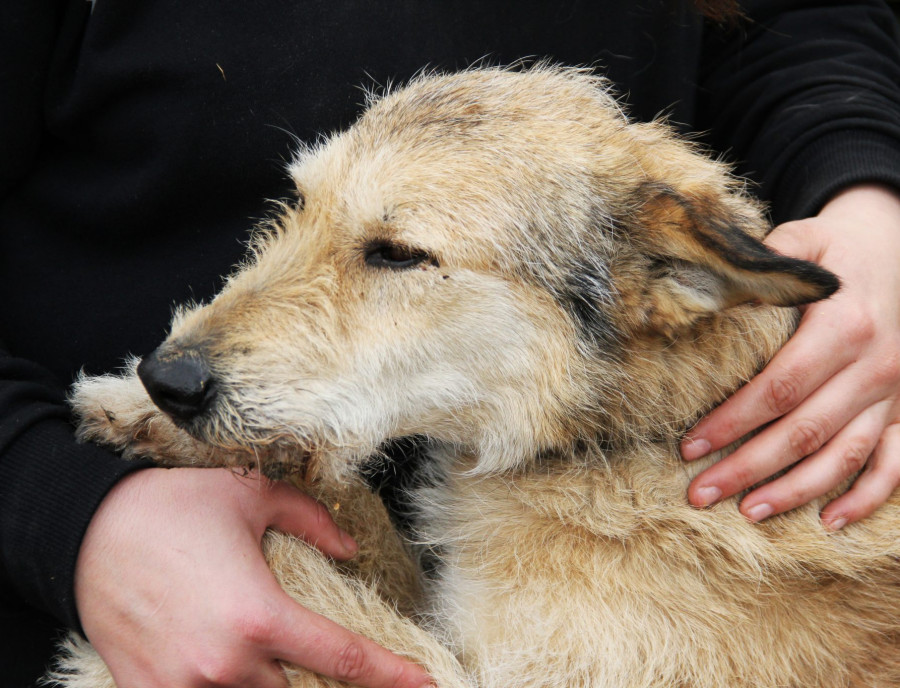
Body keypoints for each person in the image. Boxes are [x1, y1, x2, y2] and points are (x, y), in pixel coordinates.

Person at [2, 1, 899, 686]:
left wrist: (868, 192)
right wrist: (65, 506)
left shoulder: (735, 567)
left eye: (393, 255)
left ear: (668, 286)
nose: (189, 353)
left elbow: (798, 16)